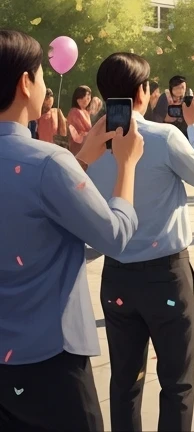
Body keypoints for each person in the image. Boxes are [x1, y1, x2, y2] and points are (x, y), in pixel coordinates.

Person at [0, 30, 143, 432]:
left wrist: (79, 160)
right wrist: (127, 164)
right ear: (25, 82)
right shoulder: (48, 162)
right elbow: (112, 235)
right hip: (49, 355)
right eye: (41, 75)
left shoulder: (54, 164)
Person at [88, 52, 194, 432]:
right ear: (142, 92)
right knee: (177, 382)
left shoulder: (93, 143)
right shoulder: (163, 136)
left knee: (125, 382)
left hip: (117, 276)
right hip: (166, 276)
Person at [67, 84, 94, 156]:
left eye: (90, 95)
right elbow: (76, 135)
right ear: (79, 98)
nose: (89, 98)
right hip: (78, 150)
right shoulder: (74, 112)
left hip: (86, 148)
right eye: (87, 95)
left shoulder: (86, 112)